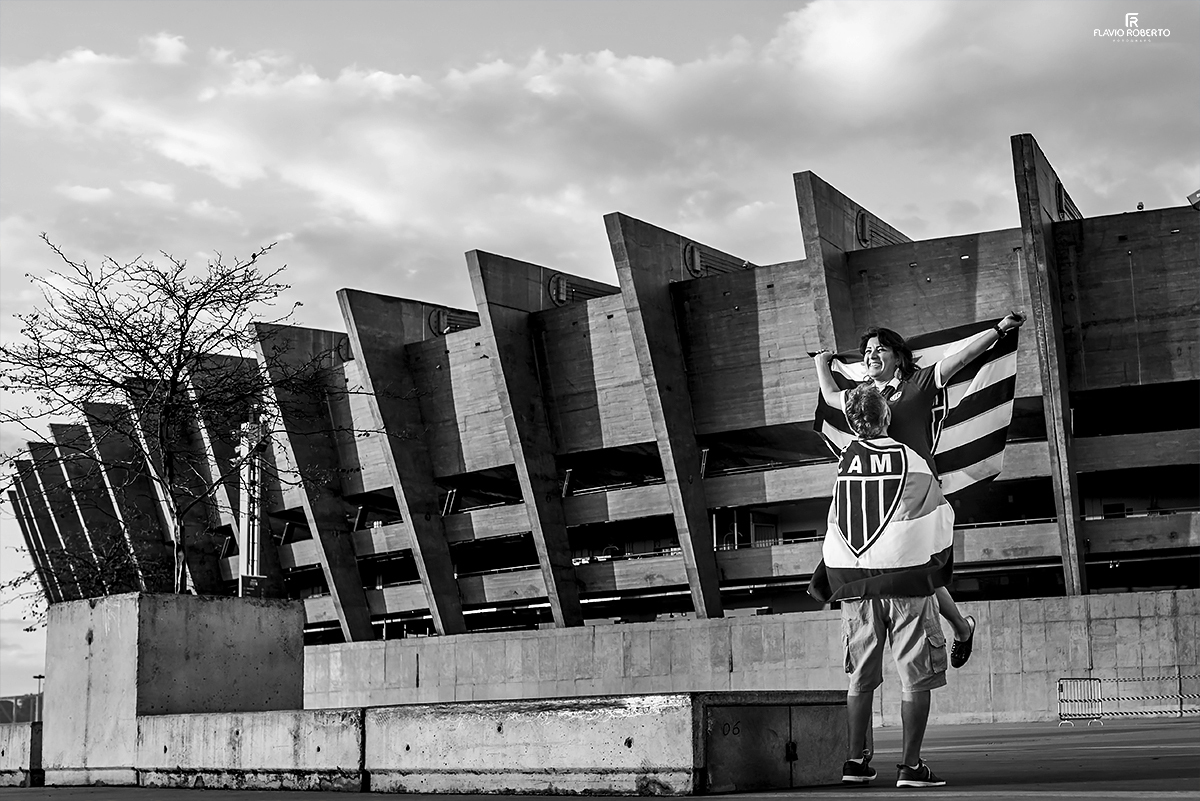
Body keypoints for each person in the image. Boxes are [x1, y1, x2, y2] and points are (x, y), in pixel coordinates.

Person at [812, 311, 1027, 668]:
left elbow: (962, 358)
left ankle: (958, 628)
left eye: (880, 349)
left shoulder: (919, 384)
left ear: (897, 357)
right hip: (878, 494)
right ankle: (961, 627)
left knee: (918, 566)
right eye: (867, 351)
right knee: (907, 569)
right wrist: (821, 364)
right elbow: (831, 395)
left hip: (916, 490)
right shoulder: (861, 398)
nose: (871, 355)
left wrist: (998, 330)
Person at [809, 385, 954, 787]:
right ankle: (910, 766)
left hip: (856, 585)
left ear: (852, 421)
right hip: (904, 582)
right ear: (887, 416)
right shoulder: (913, 460)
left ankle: (855, 761)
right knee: (916, 676)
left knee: (860, 676)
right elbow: (936, 513)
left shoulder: (844, 464)